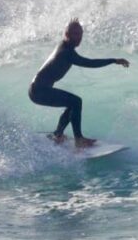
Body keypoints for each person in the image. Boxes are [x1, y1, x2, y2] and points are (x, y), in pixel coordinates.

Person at [29, 18, 130, 147]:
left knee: (72, 104)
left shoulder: (65, 46)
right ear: (67, 35)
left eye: (81, 34)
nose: (79, 37)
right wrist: (113, 60)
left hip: (38, 90)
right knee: (76, 101)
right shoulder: (67, 52)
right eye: (76, 34)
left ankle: (58, 134)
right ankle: (79, 139)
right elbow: (89, 63)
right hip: (39, 91)